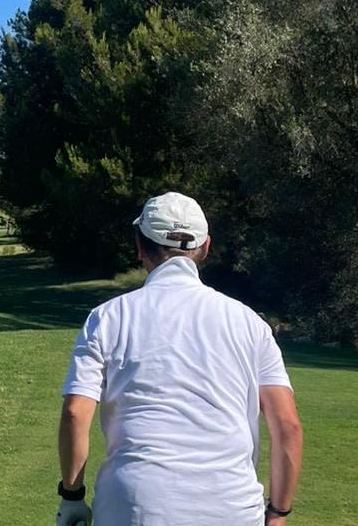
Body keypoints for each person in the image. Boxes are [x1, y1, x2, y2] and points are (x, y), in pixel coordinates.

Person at [55, 192, 303, 526]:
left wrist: (72, 496)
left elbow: (75, 412)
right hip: (231, 506)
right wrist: (278, 512)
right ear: (206, 247)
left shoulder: (107, 318)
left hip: (134, 506)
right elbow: (287, 426)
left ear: (140, 247)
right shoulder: (250, 324)